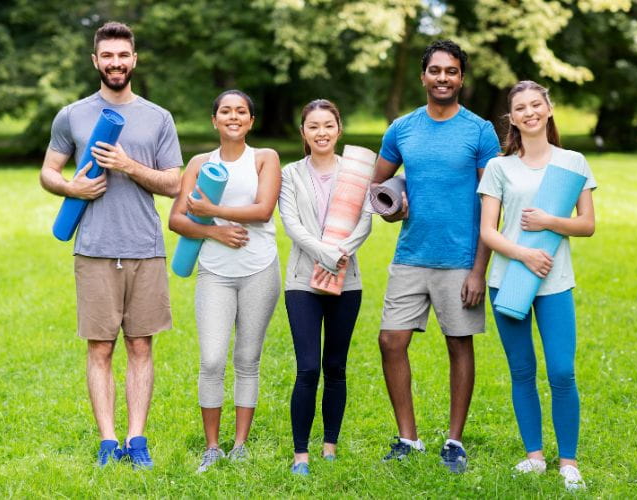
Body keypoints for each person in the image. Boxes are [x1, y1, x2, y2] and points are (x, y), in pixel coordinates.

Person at [39, 21, 182, 469]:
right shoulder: (72, 115)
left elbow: (174, 182)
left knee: (141, 345)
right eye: (108, 56)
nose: (116, 63)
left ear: (134, 59)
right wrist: (70, 190)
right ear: (95, 60)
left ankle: (136, 440)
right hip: (94, 248)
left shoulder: (158, 117)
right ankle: (107, 441)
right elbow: (48, 172)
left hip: (145, 247)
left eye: (123, 55)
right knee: (100, 347)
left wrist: (129, 165)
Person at [372, 40, 500, 473]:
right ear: (423, 76)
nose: (443, 77)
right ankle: (408, 438)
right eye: (435, 71)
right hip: (411, 254)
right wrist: (392, 206)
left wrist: (479, 269)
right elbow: (377, 187)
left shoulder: (480, 130)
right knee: (391, 341)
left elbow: (491, 201)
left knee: (459, 344)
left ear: (461, 78)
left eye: (451, 71)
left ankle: (454, 441)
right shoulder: (402, 128)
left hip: (461, 259)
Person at [477, 80, 596, 490]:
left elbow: (587, 225)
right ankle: (534, 456)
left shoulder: (572, 162)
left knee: (562, 371)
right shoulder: (499, 167)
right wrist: (524, 253)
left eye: (535, 105)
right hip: (507, 280)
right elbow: (488, 232)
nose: (529, 112)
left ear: (548, 109)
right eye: (520, 108)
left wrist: (549, 223)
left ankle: (568, 462)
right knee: (522, 370)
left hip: (555, 282)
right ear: (511, 118)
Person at [168, 90, 281, 473]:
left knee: (248, 358)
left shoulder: (265, 158)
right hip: (215, 272)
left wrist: (212, 212)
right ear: (214, 120)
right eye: (225, 111)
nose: (234, 117)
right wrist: (216, 232)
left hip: (259, 269)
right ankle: (212, 446)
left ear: (251, 121)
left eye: (241, 112)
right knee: (212, 359)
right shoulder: (200, 163)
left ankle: (241, 445)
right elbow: (177, 219)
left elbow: (263, 211)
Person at [278, 99, 372, 476]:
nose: (321, 133)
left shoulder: (357, 171)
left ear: (339, 129)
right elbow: (291, 223)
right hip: (302, 280)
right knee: (307, 367)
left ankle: (329, 445)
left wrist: (342, 251)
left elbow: (366, 220)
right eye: (313, 126)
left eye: (328, 125)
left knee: (336, 366)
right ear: (304, 132)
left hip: (347, 280)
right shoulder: (291, 174)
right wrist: (324, 252)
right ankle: (301, 453)